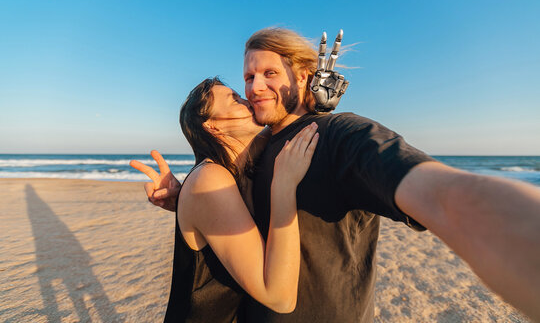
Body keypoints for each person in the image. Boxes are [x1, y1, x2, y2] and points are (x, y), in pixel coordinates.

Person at [141, 28, 540, 322]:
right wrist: (188, 204)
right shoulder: (250, 156)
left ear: (302, 77)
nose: (254, 88)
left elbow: (441, 194)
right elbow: (232, 214)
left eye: (269, 74)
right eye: (247, 78)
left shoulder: (337, 135)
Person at [131, 77, 319, 321]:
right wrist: (284, 185)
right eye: (235, 99)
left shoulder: (235, 168)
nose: (248, 99)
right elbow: (279, 297)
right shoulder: (210, 178)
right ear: (212, 126)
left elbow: (284, 124)